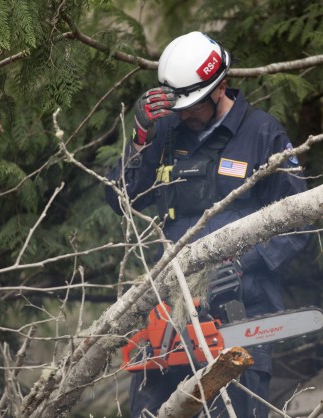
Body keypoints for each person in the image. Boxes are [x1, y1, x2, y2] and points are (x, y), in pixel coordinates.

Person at [104, 31, 309, 417]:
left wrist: (242, 263)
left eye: (192, 105)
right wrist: (139, 142)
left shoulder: (263, 134)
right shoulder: (163, 132)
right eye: (179, 106)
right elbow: (120, 199)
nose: (184, 114)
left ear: (220, 87)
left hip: (241, 310)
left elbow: (297, 224)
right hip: (167, 312)